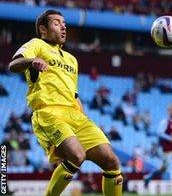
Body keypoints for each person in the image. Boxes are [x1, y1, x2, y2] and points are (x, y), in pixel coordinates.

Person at [8, 10, 123, 195]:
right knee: (76, 155)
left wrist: (85, 119)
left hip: (75, 115)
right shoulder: (36, 44)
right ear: (43, 29)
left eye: (64, 23)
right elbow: (13, 65)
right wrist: (32, 61)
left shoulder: (72, 59)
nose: (63, 26)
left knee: (112, 162)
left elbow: (74, 95)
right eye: (57, 23)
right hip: (49, 112)